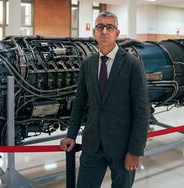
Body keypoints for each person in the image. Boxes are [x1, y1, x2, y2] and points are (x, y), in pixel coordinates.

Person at [60, 11, 149, 188]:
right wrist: (71, 134)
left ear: (117, 33)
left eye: (109, 27)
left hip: (123, 147)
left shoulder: (132, 64)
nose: (104, 31)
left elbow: (142, 110)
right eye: (100, 27)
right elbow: (79, 102)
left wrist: (135, 150)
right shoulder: (88, 63)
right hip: (92, 145)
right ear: (94, 32)